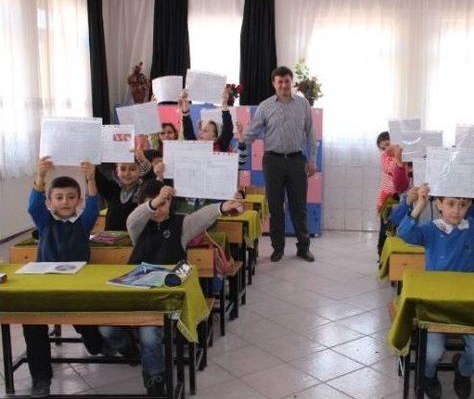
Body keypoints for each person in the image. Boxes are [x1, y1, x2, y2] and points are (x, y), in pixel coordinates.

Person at [99, 181, 242, 395]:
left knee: (149, 334)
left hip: (165, 295)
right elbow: (133, 218)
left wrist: (222, 207)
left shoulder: (180, 226)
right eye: (152, 205)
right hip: (135, 291)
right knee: (107, 329)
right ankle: (131, 351)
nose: (158, 209)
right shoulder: (138, 227)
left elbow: (201, 217)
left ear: (171, 204)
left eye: (164, 204)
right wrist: (155, 202)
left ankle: (155, 379)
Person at [397, 183, 474, 399]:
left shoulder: (473, 228)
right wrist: (420, 203)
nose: (456, 210)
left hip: (465, 303)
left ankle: (462, 371)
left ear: (468, 206)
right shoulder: (431, 229)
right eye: (450, 204)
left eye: (462, 205)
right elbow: (405, 233)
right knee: (431, 353)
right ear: (439, 204)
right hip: (435, 303)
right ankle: (429, 376)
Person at [25, 157, 104, 397]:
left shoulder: (82, 224)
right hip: (46, 287)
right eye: (58, 198)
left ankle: (97, 343)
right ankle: (41, 377)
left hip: (78, 288)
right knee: (32, 323)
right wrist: (40, 177)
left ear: (77, 200)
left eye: (71, 197)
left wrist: (90, 178)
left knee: (84, 322)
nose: (65, 202)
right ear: (50, 202)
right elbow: (33, 206)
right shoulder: (45, 222)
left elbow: (93, 205)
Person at [242, 66, 317, 263]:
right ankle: (278, 248)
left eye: (287, 81)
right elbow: (253, 131)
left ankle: (303, 247)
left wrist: (311, 160)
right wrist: (241, 140)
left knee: (299, 207)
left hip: (296, 160)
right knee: (275, 207)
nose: (284, 84)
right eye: (280, 81)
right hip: (273, 161)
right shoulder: (265, 106)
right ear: (274, 84)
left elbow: (310, 134)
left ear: (292, 82)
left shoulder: (303, 105)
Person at [95, 151, 150, 231]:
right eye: (123, 169)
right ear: (117, 170)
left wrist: (144, 162)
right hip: (111, 240)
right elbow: (96, 177)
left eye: (132, 169)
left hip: (133, 241)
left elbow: (151, 180)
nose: (127, 173)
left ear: (140, 170)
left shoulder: (144, 189)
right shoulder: (113, 188)